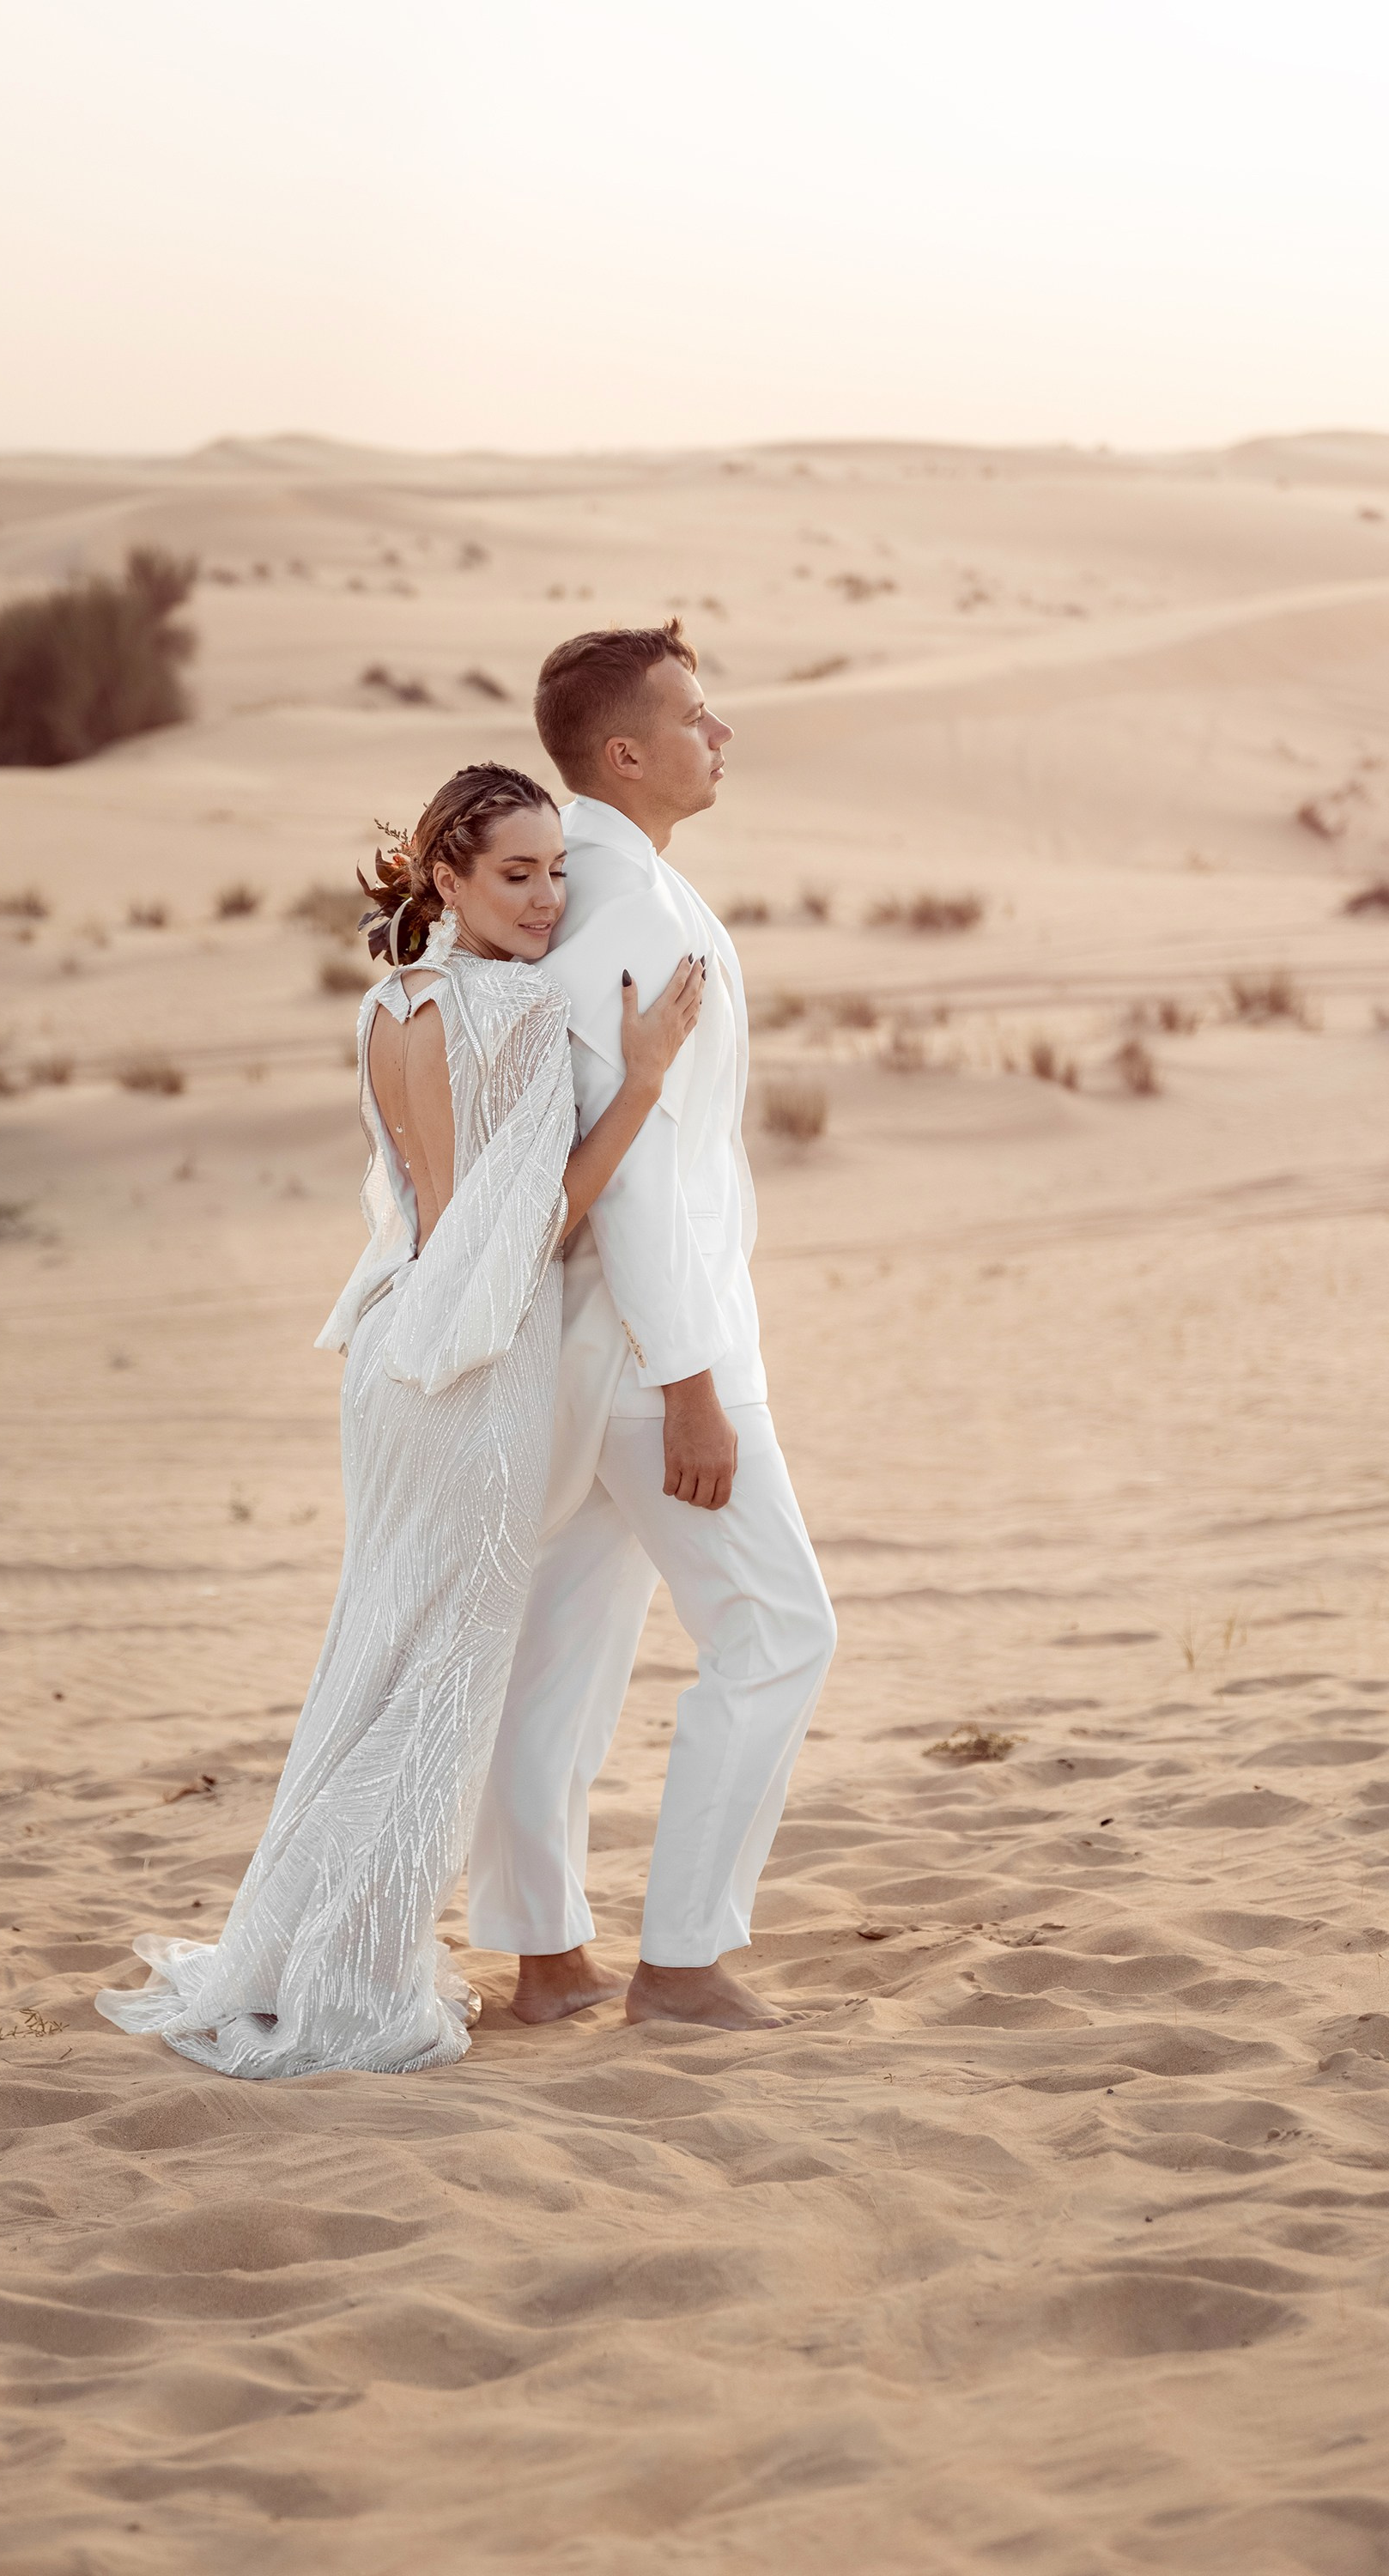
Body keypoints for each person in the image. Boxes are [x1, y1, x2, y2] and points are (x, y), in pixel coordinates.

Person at [96, 762, 703, 2076]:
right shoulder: (525, 1014)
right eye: (516, 874)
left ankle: (301, 1945)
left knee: (373, 1659)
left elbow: (419, 1201)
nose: (547, 901)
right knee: (440, 1678)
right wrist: (646, 1075)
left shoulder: (389, 1003)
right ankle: (350, 1983)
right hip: (475, 1371)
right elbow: (539, 1221)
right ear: (445, 878)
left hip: (388, 1354)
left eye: (557, 873)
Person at [468, 624, 838, 2032]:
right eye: (697, 714)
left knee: (561, 1654)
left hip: (581, 1363)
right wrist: (692, 1384)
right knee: (780, 1631)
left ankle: (547, 1957)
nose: (722, 733)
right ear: (624, 753)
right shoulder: (628, 912)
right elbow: (625, 1181)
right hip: (645, 1362)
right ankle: (681, 1963)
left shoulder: (618, 891)